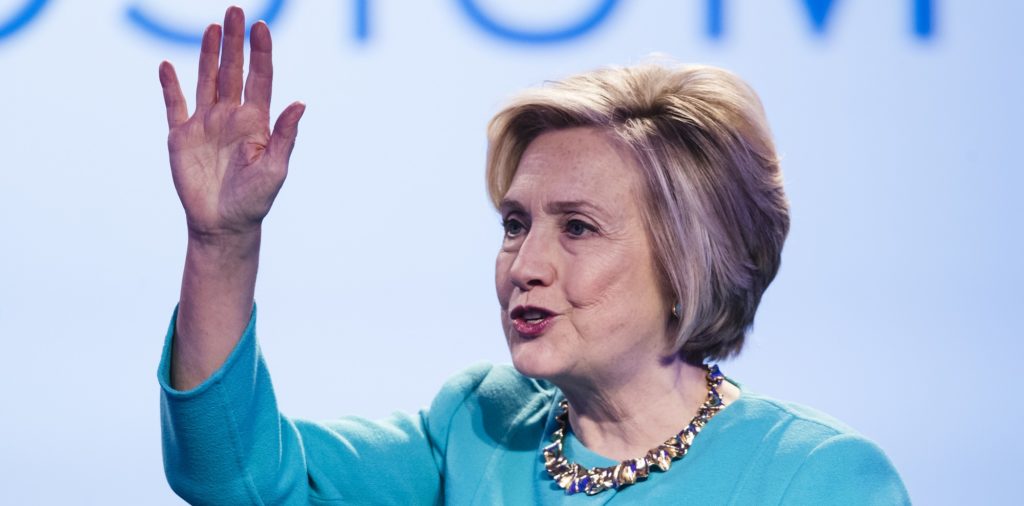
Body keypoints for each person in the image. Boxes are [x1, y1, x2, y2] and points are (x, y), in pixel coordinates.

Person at [157, 6, 909, 505]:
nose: (524, 265)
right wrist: (221, 244)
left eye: (577, 228)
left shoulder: (815, 479)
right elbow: (238, 477)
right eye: (515, 223)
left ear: (690, 264)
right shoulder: (479, 428)